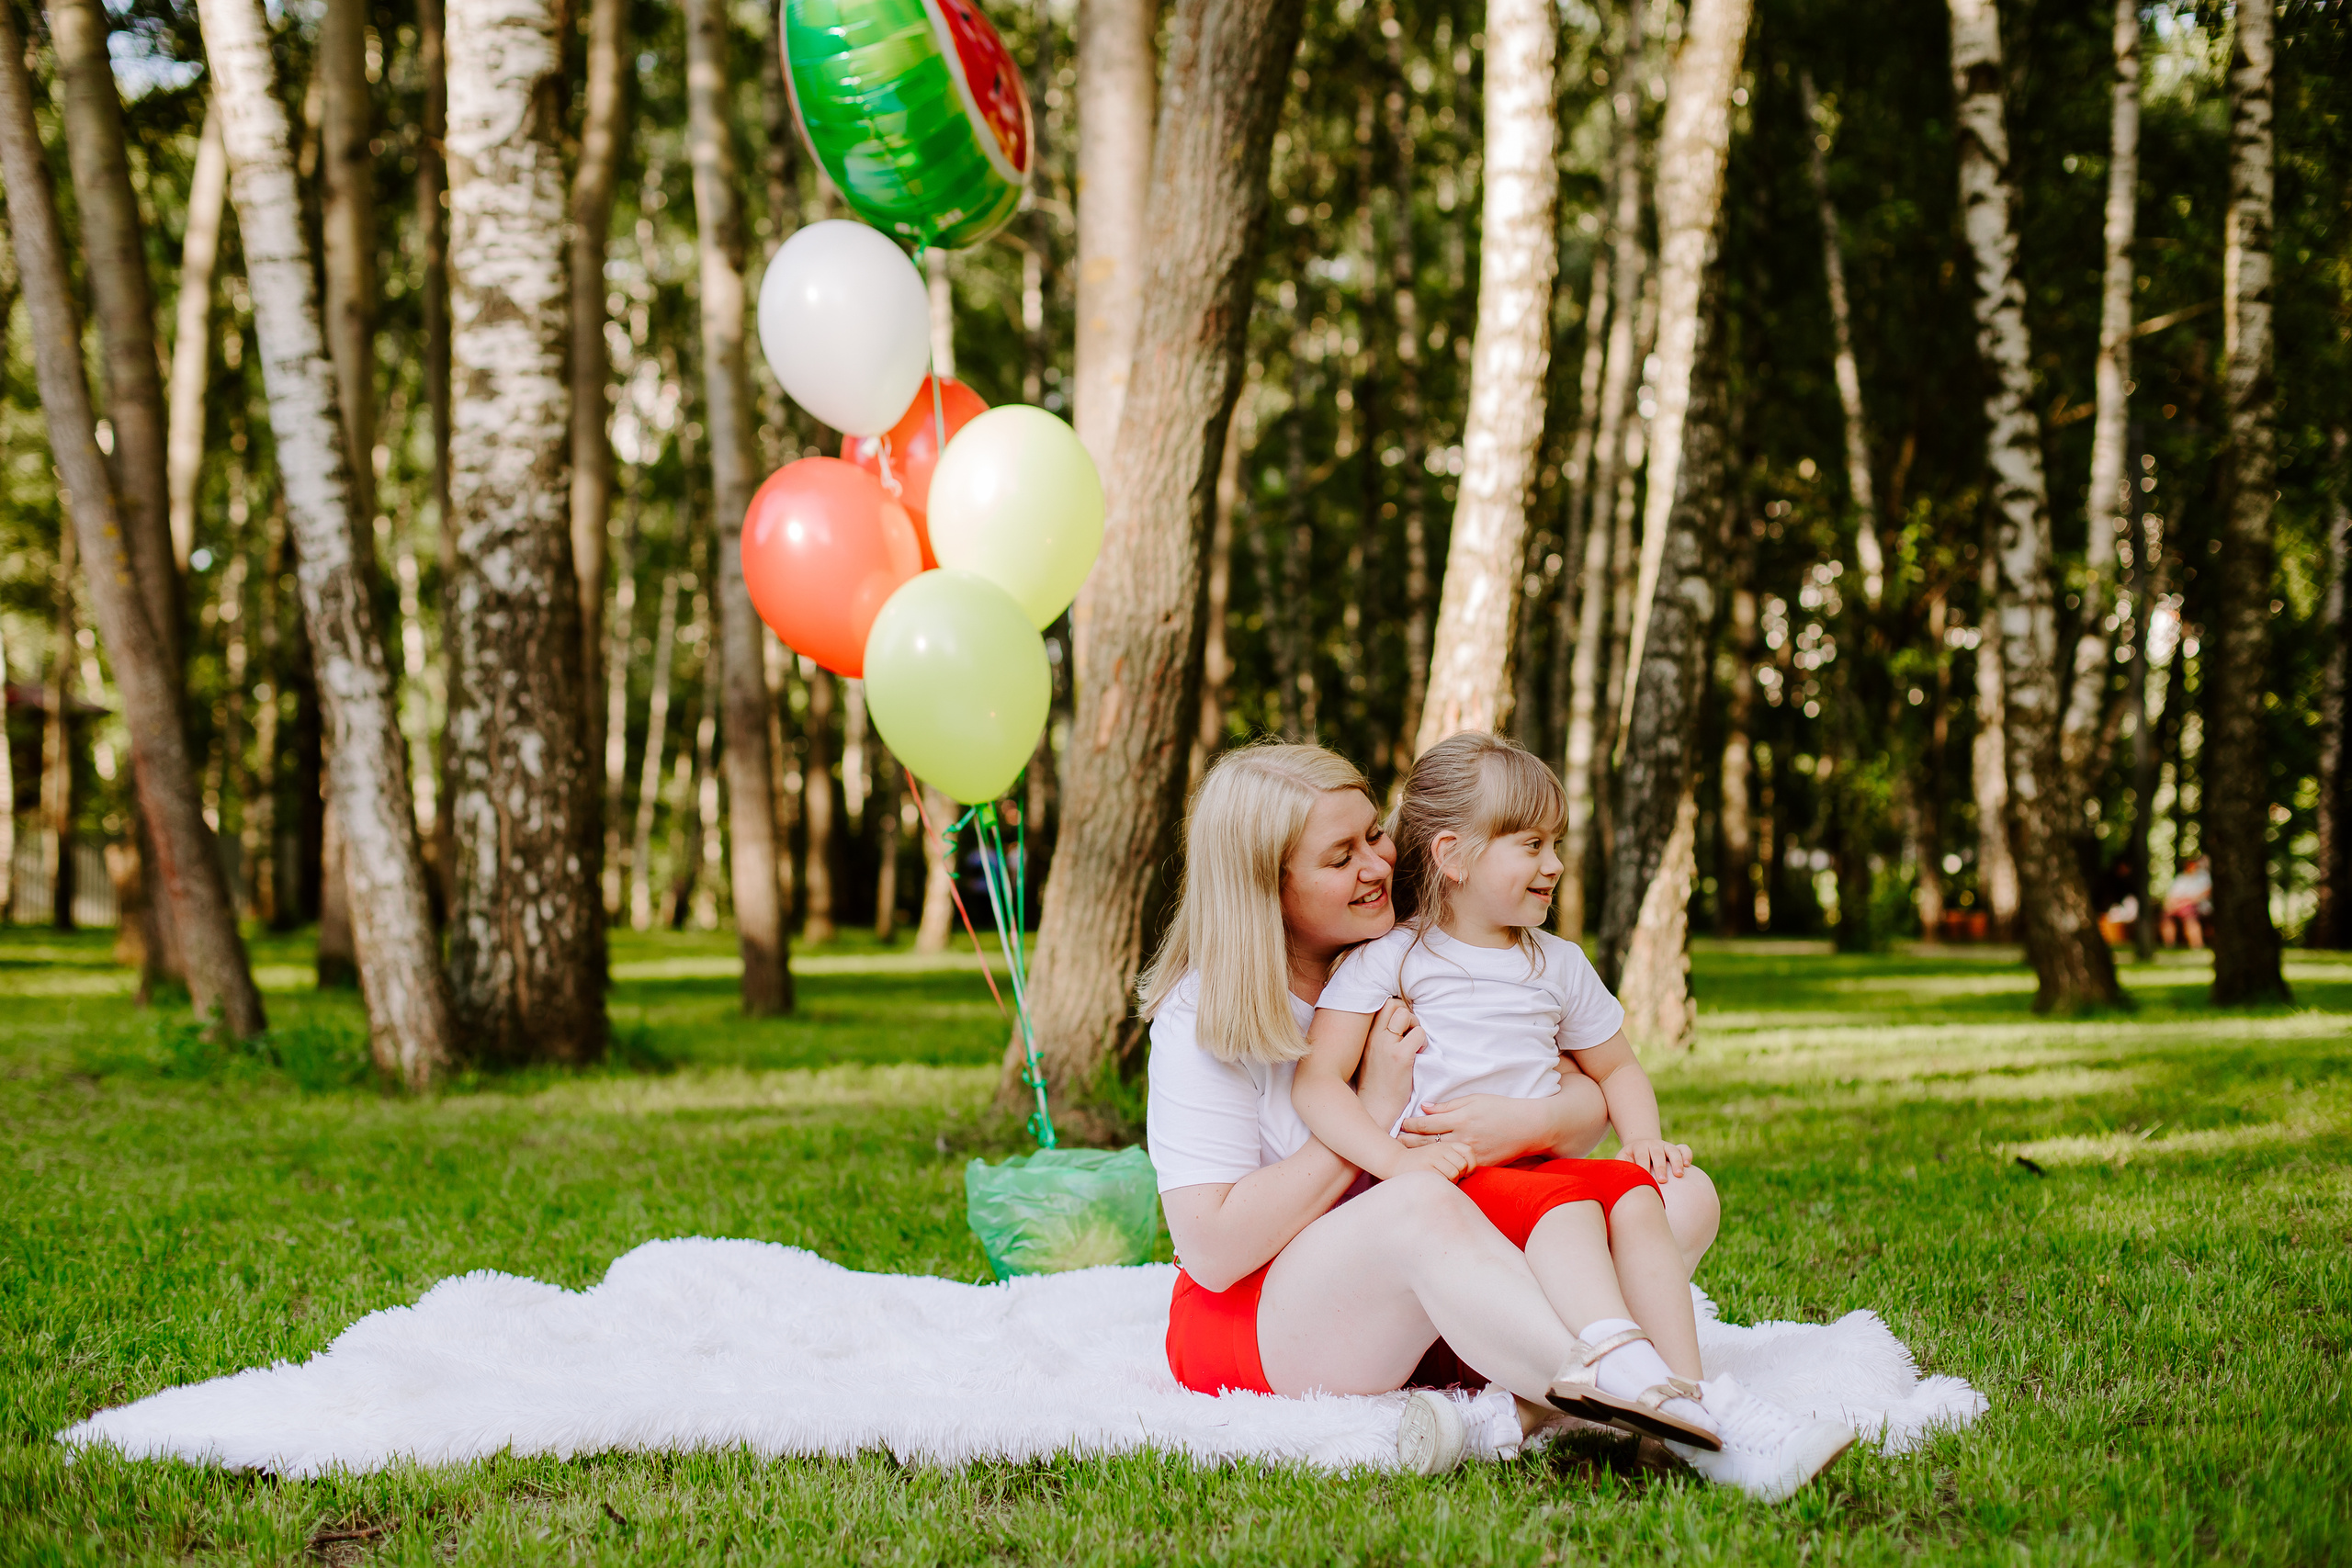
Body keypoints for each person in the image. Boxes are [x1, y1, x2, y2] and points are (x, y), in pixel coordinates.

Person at [1141, 741, 1857, 1501]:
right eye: (1340, 856)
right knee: (1422, 1203)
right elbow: (1213, 1250)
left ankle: (1527, 1404)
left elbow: (1585, 1099)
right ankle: (1664, 1400)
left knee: (1679, 1195)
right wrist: (1377, 1118)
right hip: (1263, 1322)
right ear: (1265, 885)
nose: (1380, 865)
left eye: (1375, 834)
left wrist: (1533, 1119)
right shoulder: (1204, 1017)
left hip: (1425, 1289)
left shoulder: (1418, 951)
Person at [1291, 732, 1729, 1454]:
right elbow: (1316, 1081)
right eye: (1530, 844)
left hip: (1532, 1170)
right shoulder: (1394, 957)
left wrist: (1641, 1138)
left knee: (1644, 1196)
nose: (1554, 864)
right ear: (1453, 856)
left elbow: (1616, 1068)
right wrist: (1395, 1162)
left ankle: (1685, 1405)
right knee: (1570, 1210)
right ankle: (1617, 1370)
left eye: (1555, 843)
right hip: (1454, 1186)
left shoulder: (1558, 963)